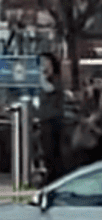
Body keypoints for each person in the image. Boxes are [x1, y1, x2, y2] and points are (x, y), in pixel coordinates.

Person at [38, 54, 66, 184]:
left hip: (53, 120)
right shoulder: (43, 80)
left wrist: (40, 75)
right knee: (46, 149)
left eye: (45, 62)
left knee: (52, 150)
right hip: (44, 119)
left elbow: (49, 88)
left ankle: (54, 177)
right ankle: (50, 174)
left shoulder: (55, 80)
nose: (43, 65)